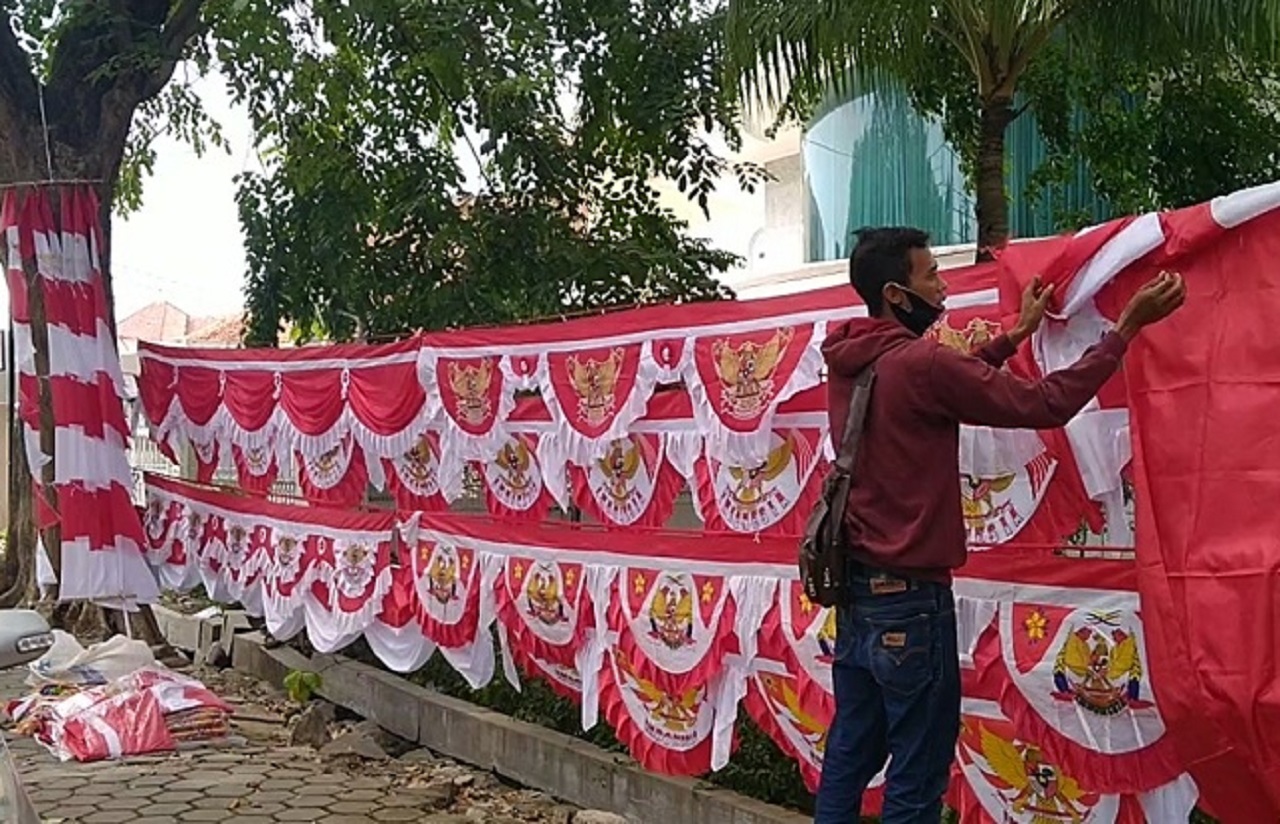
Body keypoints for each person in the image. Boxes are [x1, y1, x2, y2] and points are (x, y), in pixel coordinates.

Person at [814, 227, 1185, 823]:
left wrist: (1015, 336)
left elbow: (942, 383)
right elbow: (1045, 405)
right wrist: (1125, 331)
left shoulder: (852, 360)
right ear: (895, 293)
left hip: (858, 598)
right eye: (929, 273)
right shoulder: (920, 364)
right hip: (911, 604)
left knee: (851, 755)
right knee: (916, 771)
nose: (941, 284)